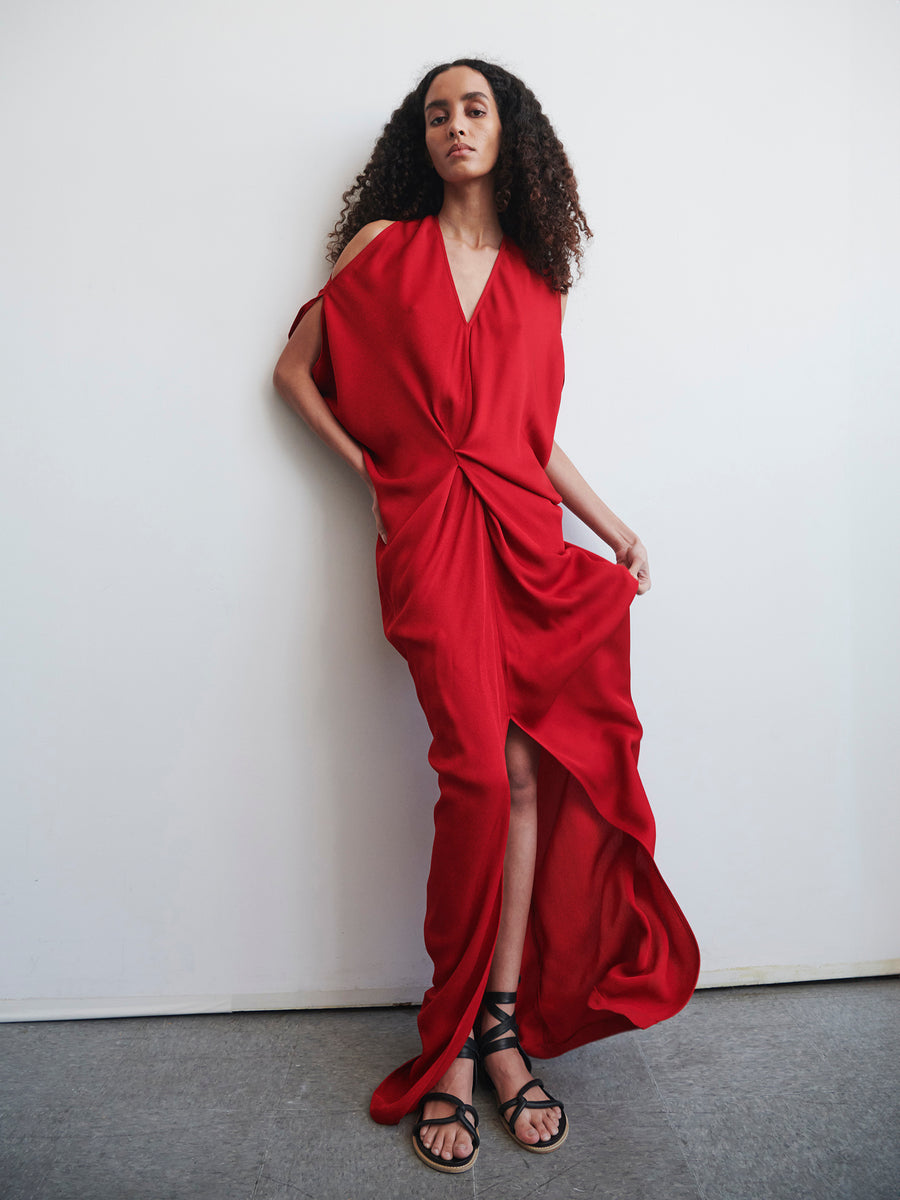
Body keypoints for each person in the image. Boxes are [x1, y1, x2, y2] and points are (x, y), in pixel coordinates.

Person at [273, 58, 700, 1174]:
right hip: (431, 539)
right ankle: (449, 1039)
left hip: (522, 533)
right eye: (438, 114)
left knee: (521, 774)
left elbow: (529, 438)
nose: (456, 126)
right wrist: (374, 472)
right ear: (421, 139)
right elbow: (293, 371)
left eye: (476, 109)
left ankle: (498, 1026)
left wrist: (611, 527)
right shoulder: (383, 249)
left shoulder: (535, 280)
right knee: (472, 768)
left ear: (512, 134)